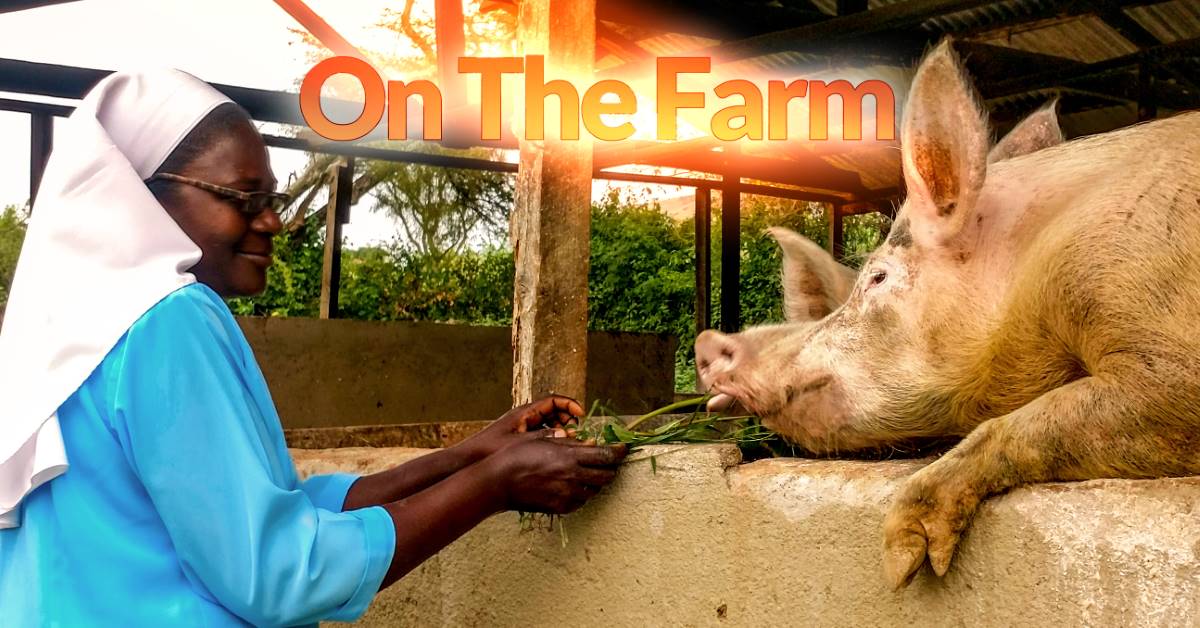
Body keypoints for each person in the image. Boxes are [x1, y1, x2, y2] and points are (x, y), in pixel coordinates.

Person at [0, 68, 627, 626]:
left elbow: (271, 510)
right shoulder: (168, 319)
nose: (272, 220)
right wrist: (492, 486)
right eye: (244, 198)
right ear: (141, 195)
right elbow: (280, 572)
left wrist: (467, 456)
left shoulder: (67, 339)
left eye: (270, 200)